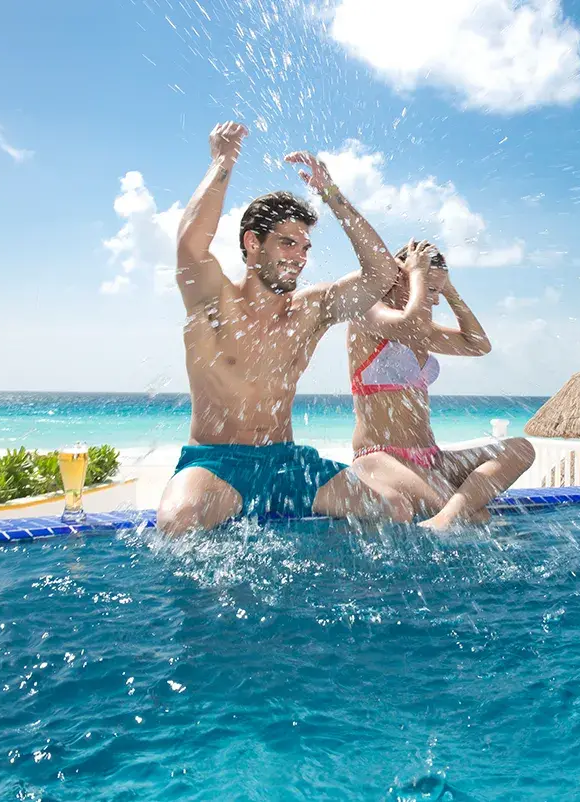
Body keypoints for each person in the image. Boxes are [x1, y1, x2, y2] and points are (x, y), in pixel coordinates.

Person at [157, 121, 405, 535]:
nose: (300, 256)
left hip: (287, 461)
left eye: (305, 246)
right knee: (178, 523)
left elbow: (382, 274)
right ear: (253, 242)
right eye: (288, 243)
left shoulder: (311, 309)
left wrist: (332, 194)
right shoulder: (214, 301)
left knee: (393, 509)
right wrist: (223, 161)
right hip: (218, 463)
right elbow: (189, 246)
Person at [347, 239, 535, 530]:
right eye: (430, 290)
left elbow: (478, 344)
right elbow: (410, 326)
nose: (434, 300)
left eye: (437, 291)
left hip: (431, 459)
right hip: (381, 459)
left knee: (521, 448)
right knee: (474, 516)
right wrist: (419, 275)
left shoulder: (423, 332)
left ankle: (447, 518)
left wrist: (449, 290)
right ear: (400, 277)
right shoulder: (368, 313)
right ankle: (450, 517)